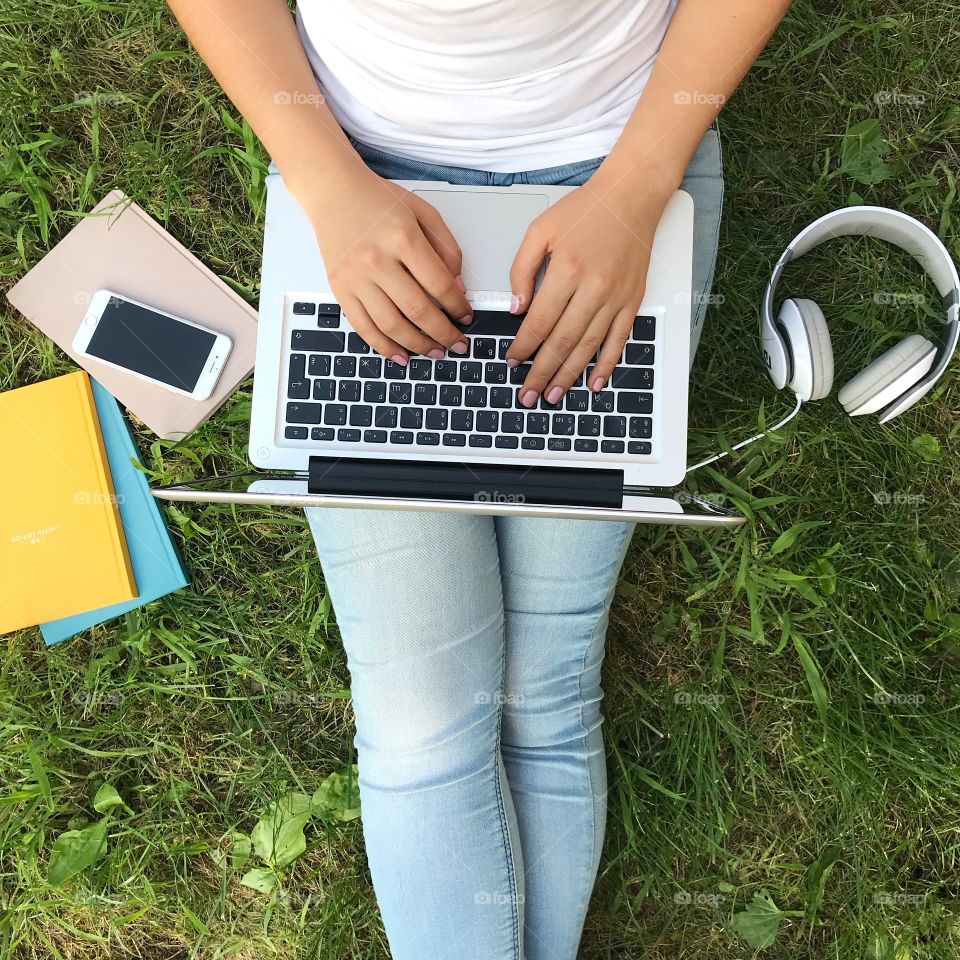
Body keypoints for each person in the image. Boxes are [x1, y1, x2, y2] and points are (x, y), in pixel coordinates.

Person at [166, 2, 792, 957]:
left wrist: (634, 192)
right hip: (363, 179)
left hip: (621, 162)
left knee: (545, 695)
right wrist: (328, 186)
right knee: (418, 726)